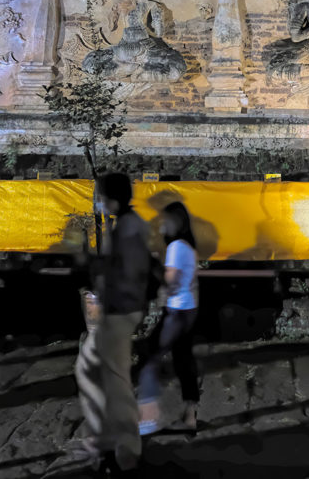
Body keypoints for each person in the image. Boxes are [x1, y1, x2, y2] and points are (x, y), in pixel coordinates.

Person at [74, 172, 150, 475]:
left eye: (101, 196)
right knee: (90, 367)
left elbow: (129, 275)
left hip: (119, 314)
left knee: (114, 380)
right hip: (119, 312)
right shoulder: (128, 225)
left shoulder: (129, 230)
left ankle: (126, 451)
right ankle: (105, 438)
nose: (99, 202)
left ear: (112, 199)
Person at [137, 201, 200, 436]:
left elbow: (171, 284)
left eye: (165, 220)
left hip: (176, 312)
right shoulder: (187, 246)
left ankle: (147, 420)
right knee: (184, 361)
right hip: (189, 310)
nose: (161, 224)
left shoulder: (176, 247)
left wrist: (153, 265)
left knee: (149, 358)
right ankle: (190, 415)